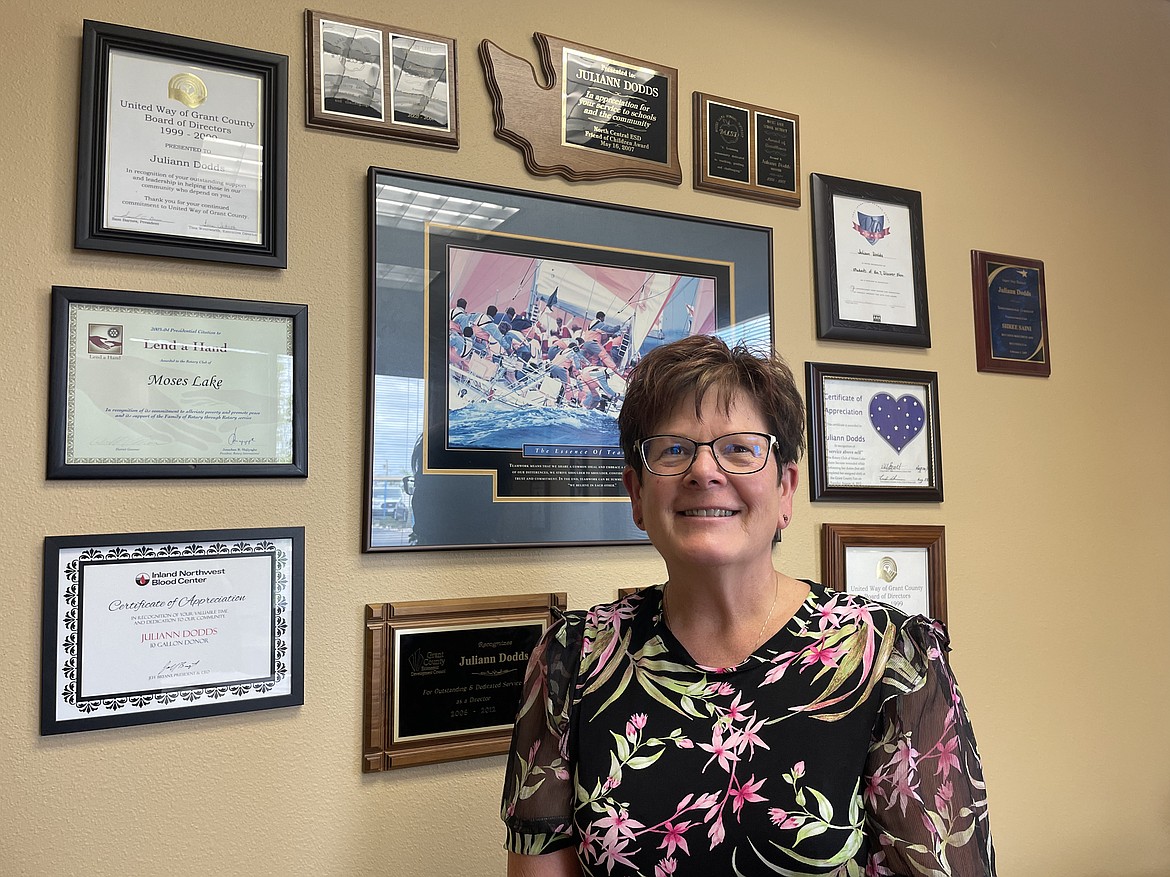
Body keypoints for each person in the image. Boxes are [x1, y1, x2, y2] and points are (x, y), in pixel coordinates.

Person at [500, 335, 995, 876]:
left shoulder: (890, 658)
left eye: (739, 448)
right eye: (672, 449)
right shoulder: (569, 662)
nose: (704, 471)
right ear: (636, 496)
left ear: (785, 490)